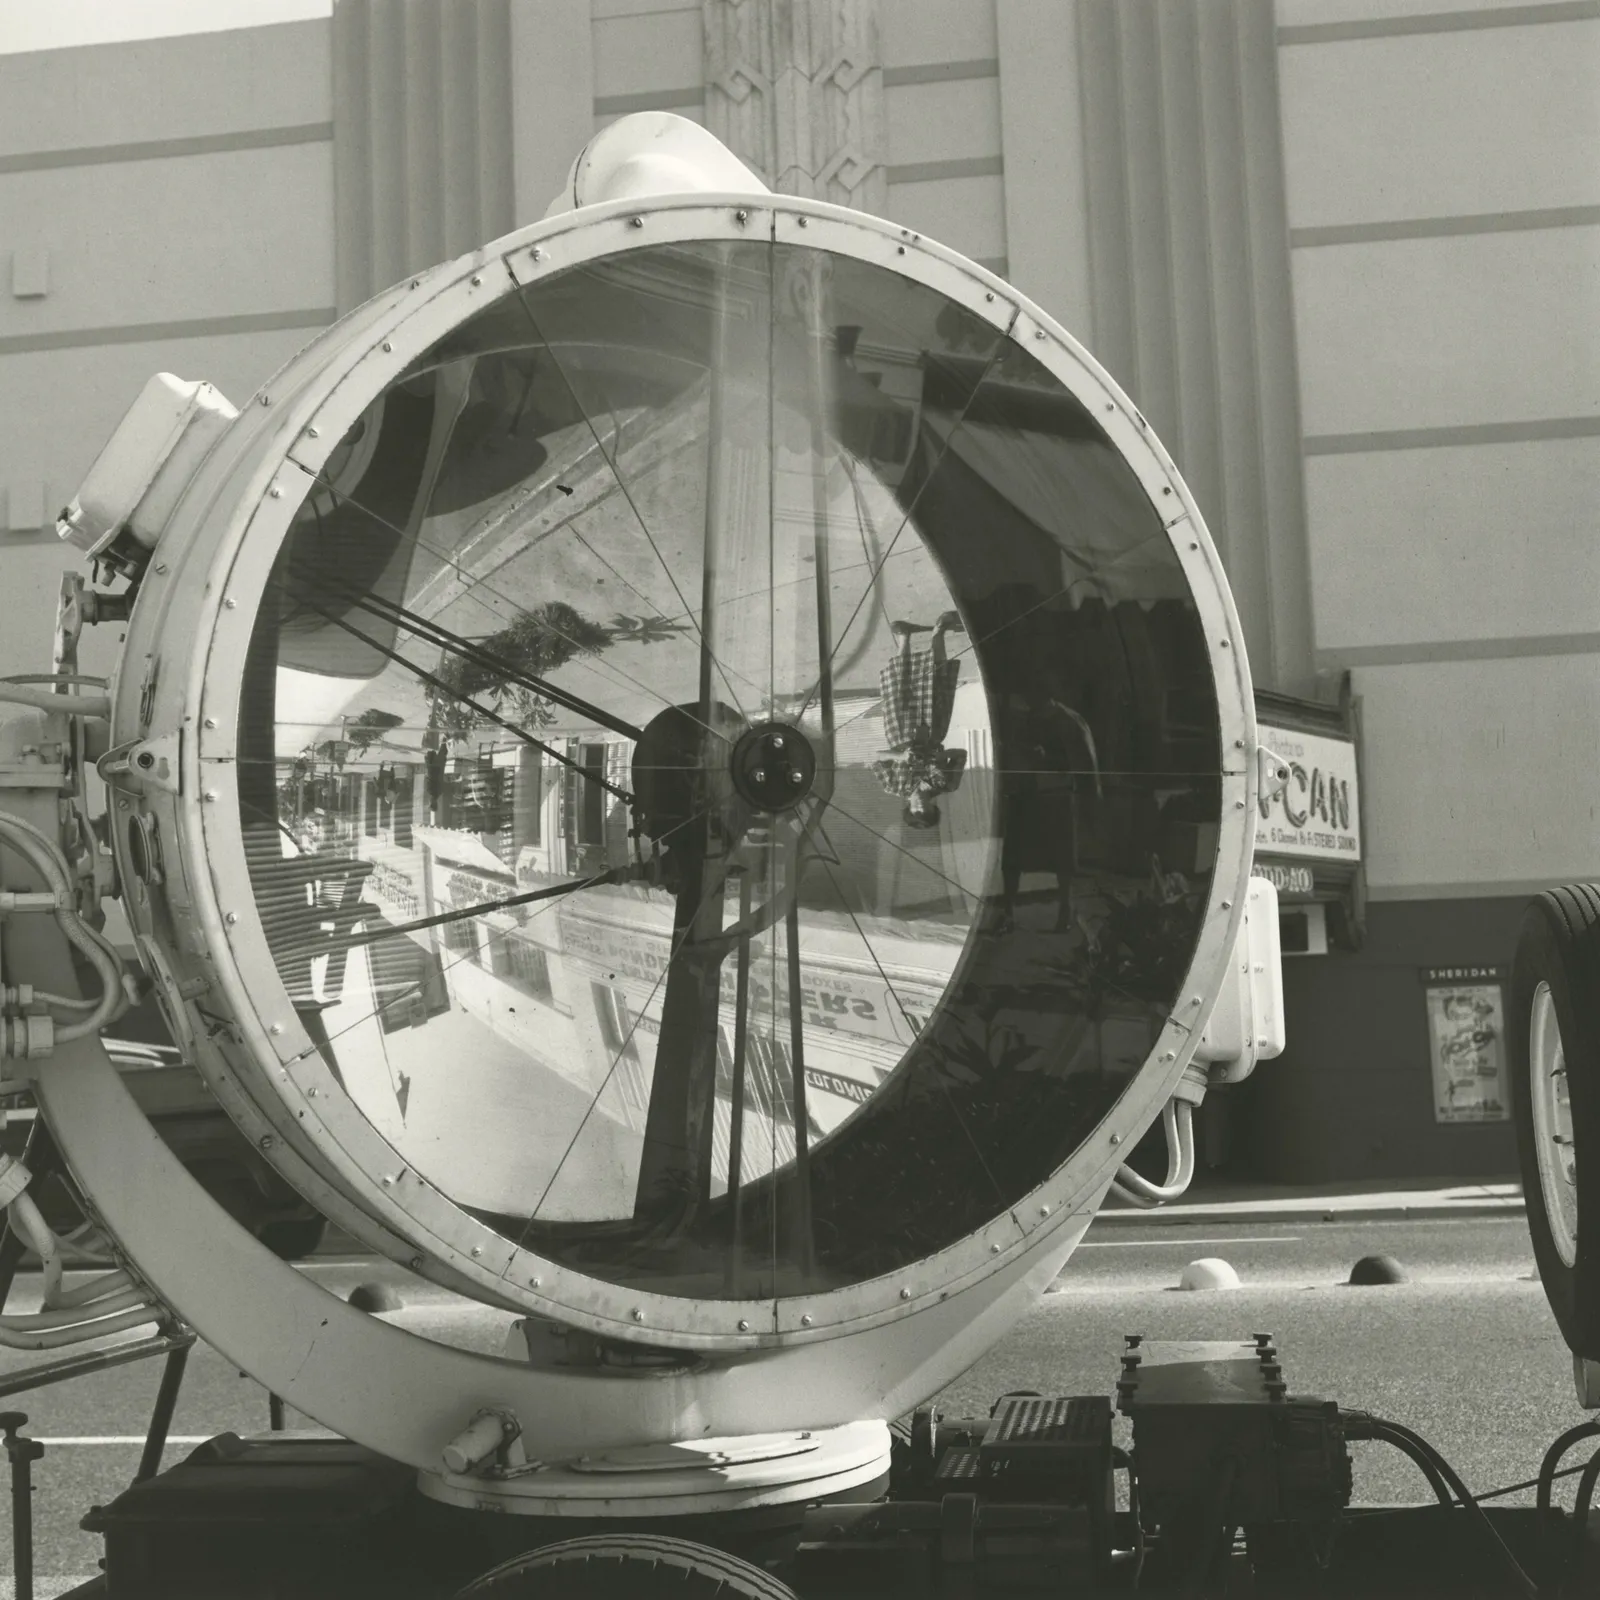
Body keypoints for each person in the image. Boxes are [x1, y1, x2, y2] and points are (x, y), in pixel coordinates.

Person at [873, 612, 968, 830]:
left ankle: (904, 637)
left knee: (900, 682)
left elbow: (878, 759)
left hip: (899, 731)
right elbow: (961, 756)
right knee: (938, 679)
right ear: (935, 809)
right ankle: (939, 631)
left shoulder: (892, 786)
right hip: (933, 730)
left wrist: (901, 756)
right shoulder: (947, 784)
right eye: (926, 812)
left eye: (916, 812)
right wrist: (941, 756)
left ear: (909, 810)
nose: (920, 808)